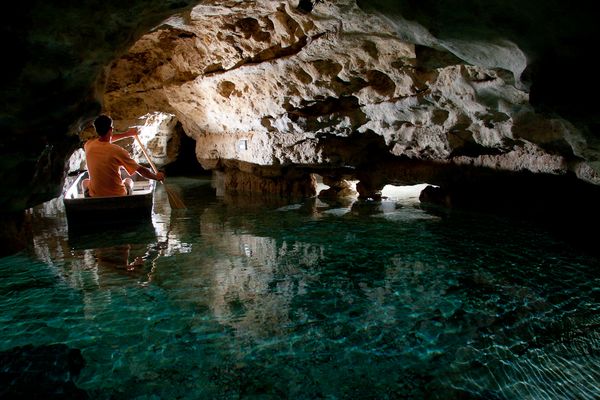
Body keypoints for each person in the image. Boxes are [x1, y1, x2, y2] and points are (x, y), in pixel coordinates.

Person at [82, 114, 164, 197]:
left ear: (97, 130)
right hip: (117, 195)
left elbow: (105, 140)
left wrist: (128, 134)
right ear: (111, 129)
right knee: (128, 181)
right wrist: (156, 177)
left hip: (95, 195)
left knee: (85, 182)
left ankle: (89, 202)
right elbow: (140, 170)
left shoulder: (88, 145)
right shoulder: (117, 151)